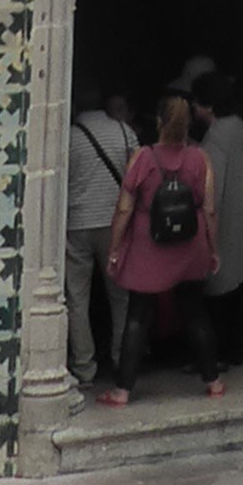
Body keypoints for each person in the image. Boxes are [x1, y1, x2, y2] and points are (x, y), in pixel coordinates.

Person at [97, 90, 224, 403]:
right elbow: (209, 209)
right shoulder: (200, 158)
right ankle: (214, 381)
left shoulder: (142, 157)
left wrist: (115, 247)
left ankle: (122, 389)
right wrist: (212, 248)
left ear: (158, 122)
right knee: (194, 311)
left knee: (138, 314)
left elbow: (125, 207)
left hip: (148, 246)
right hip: (189, 245)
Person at [64, 87, 136, 396]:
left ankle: (84, 368)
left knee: (77, 298)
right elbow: (137, 180)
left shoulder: (67, 136)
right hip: (114, 224)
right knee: (120, 298)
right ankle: (122, 360)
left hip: (76, 224)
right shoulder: (124, 131)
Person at [197, 68, 243, 359]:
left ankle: (220, 355)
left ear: (208, 105)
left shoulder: (216, 136)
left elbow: (214, 186)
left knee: (219, 293)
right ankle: (236, 349)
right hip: (241, 218)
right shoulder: (241, 124)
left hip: (222, 222)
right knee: (238, 291)